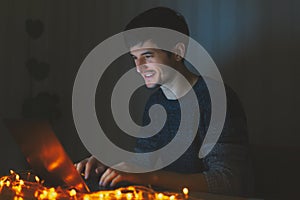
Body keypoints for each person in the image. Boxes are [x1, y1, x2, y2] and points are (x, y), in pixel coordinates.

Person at [75, 7, 253, 196]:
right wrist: (108, 167)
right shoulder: (155, 102)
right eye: (135, 58)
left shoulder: (216, 99)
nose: (138, 68)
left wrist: (150, 178)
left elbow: (227, 181)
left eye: (148, 56)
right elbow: (144, 163)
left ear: (177, 52)